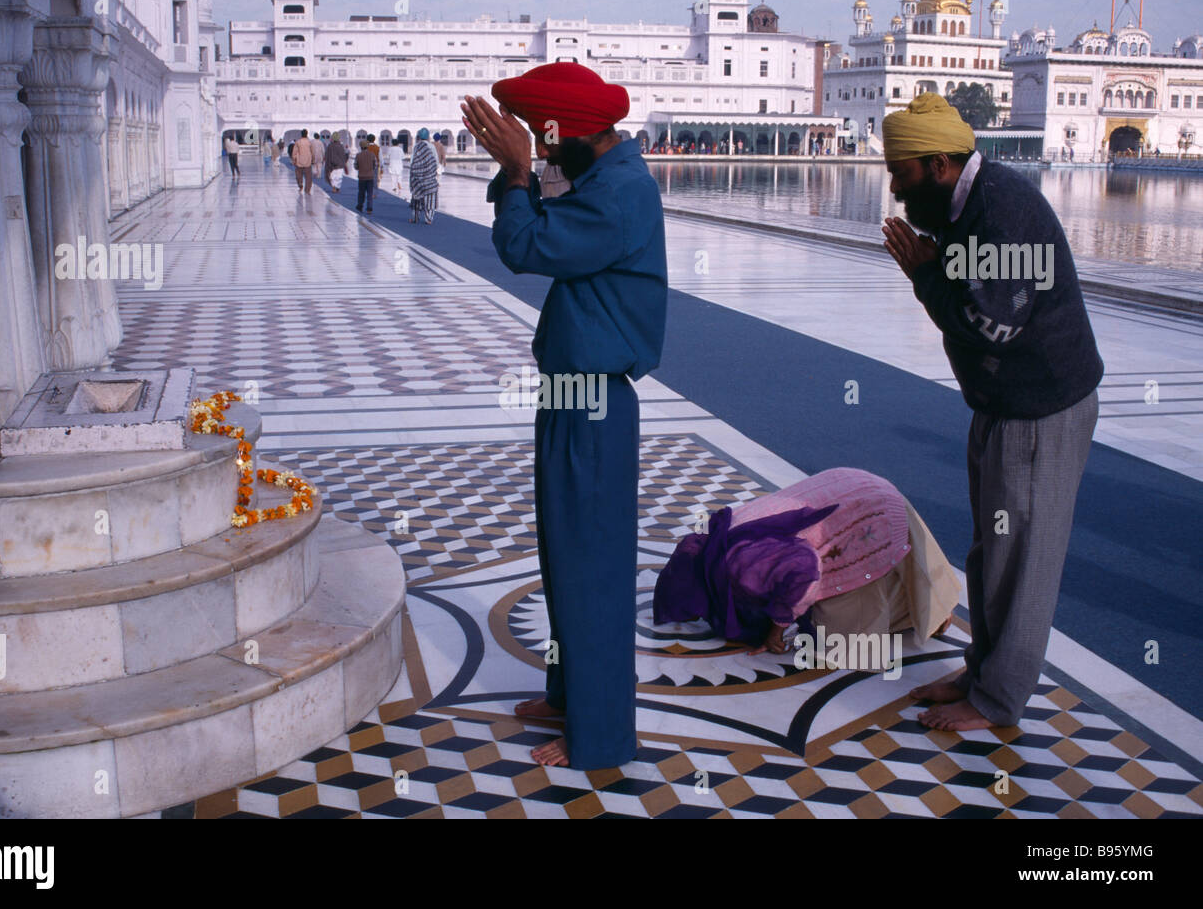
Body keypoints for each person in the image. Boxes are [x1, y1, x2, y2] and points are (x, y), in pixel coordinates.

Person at [462, 61, 667, 770]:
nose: (546, 155)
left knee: (595, 572)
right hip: (572, 398)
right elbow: (543, 222)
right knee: (566, 563)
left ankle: (602, 735)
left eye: (549, 143)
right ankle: (569, 691)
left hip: (595, 405)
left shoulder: (619, 196)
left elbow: (526, 245)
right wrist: (519, 171)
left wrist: (518, 174)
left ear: (574, 131)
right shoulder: (602, 180)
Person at [879, 93, 1102, 732]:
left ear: (942, 163)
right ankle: (983, 668)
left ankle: (999, 700)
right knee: (992, 549)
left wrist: (925, 276)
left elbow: (992, 323)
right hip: (1005, 402)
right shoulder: (964, 203)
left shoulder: (1001, 212)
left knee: (1023, 557)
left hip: (1041, 405)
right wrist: (933, 268)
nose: (896, 189)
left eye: (903, 173)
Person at [653, 468, 960, 657]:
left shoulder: (740, 567)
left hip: (866, 508)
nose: (698, 617)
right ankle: (934, 607)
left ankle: (930, 614)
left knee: (842, 642)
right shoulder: (715, 546)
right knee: (897, 565)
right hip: (850, 486)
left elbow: (805, 569)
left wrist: (776, 630)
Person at [408, 128, 438, 223]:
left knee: (416, 196)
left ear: (419, 136)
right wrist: (431, 171)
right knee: (430, 197)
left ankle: (415, 217)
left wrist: (415, 172)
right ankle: (429, 218)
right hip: (429, 176)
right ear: (428, 136)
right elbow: (435, 161)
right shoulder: (431, 147)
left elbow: (412, 161)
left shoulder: (416, 147)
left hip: (417, 176)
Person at [354, 138, 377, 213]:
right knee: (370, 193)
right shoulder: (372, 155)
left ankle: (360, 206)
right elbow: (375, 165)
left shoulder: (358, 155)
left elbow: (355, 166)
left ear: (361, 147)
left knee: (361, 192)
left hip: (362, 177)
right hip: (370, 176)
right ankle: (369, 208)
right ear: (367, 147)